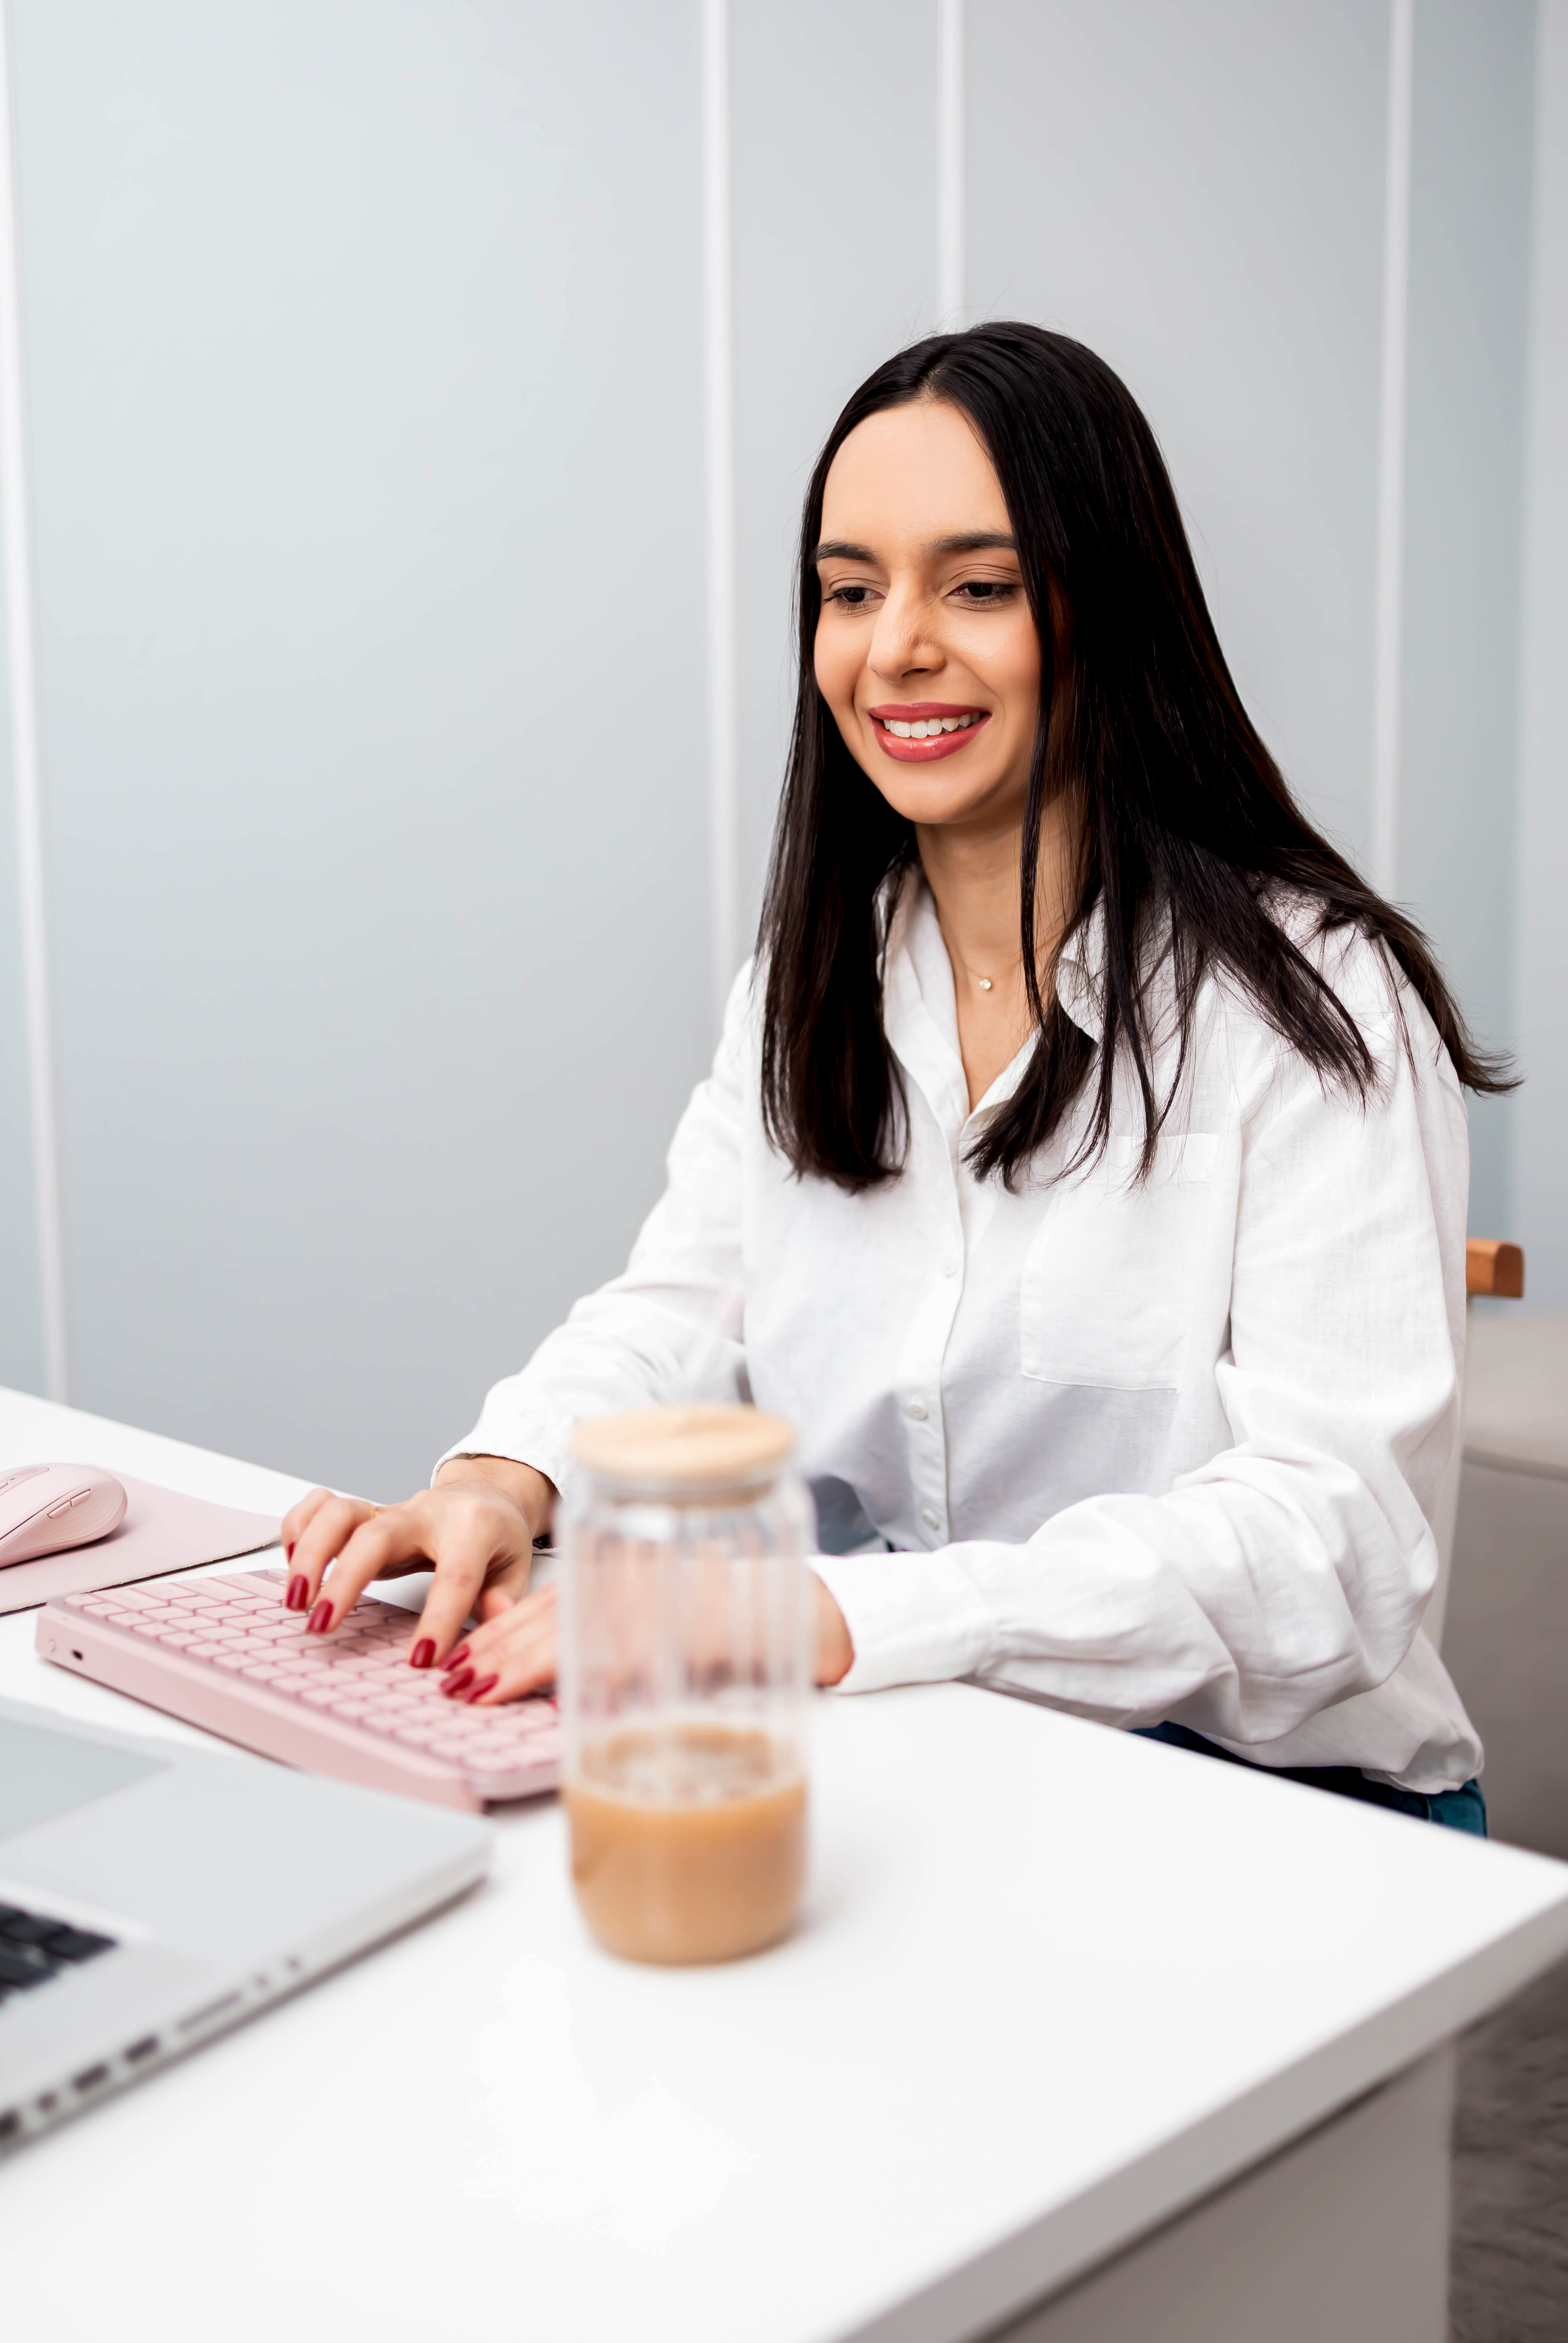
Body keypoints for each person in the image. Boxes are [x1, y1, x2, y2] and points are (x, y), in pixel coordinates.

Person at [282, 322, 1507, 1828]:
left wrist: (837, 1618)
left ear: (1106, 611)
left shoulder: (1318, 1005)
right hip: (933, 1754)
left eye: (977, 585)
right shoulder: (817, 977)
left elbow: (1335, 1546)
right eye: (850, 589)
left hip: (1281, 1811)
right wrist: (500, 1473)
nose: (895, 645)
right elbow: (690, 1313)